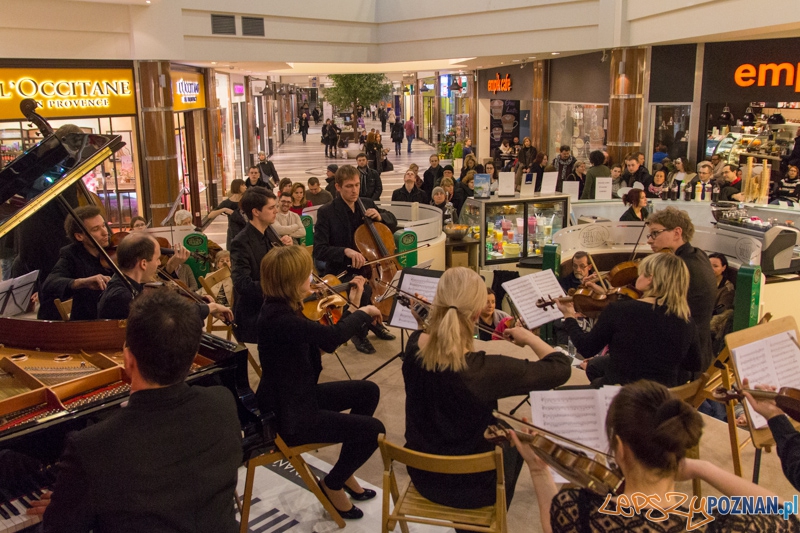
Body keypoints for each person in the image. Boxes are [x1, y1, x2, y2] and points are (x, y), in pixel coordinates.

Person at [38, 290, 242, 533]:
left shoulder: (92, 446)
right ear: (193, 358)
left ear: (128, 360)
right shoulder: (222, 402)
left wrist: (66, 505)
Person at [515, 380, 795, 533]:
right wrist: (702, 468)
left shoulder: (577, 510)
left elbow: (554, 525)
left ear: (619, 448)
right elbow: (787, 513)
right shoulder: (722, 524)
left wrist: (538, 470)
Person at [402, 267, 571, 517]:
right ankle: (492, 516)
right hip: (471, 488)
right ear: (477, 313)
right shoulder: (484, 371)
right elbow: (560, 367)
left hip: (423, 475)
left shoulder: (413, 345)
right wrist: (529, 338)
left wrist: (422, 323)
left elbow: (429, 337)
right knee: (514, 439)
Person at [256, 246, 384, 520]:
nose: (312, 279)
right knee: (374, 430)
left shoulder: (286, 308)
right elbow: (330, 338)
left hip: (299, 395)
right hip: (288, 415)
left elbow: (323, 343)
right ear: (291, 281)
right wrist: (363, 312)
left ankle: (344, 472)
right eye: (307, 274)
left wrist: (352, 306)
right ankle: (332, 483)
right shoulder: (279, 318)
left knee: (367, 391)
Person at [559, 252, 701, 387]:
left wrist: (569, 315)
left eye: (641, 273)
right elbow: (693, 364)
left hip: (623, 392)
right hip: (661, 394)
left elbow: (586, 348)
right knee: (596, 366)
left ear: (650, 278)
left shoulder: (620, 310)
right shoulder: (686, 319)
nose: (636, 277)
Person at [312, 165, 398, 354]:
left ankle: (374, 322)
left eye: (357, 185)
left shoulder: (366, 203)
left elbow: (393, 221)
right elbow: (319, 250)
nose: (354, 190)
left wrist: (381, 217)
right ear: (338, 187)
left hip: (371, 267)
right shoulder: (327, 212)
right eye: (349, 186)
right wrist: (345, 251)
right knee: (363, 289)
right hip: (342, 270)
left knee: (385, 285)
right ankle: (359, 333)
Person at [96, 232, 232, 323]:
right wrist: (210, 308)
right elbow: (168, 314)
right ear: (143, 264)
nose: (159, 263)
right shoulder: (122, 296)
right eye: (157, 259)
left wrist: (203, 302)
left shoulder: (130, 284)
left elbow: (169, 304)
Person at [646, 206, 716, 370]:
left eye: (655, 233)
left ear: (677, 233)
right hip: (702, 351)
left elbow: (661, 313)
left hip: (683, 358)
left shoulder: (681, 267)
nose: (649, 240)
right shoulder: (699, 255)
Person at [230, 187, 293, 344]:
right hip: (255, 312)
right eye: (271, 208)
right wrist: (278, 288)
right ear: (256, 212)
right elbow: (242, 284)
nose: (276, 211)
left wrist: (286, 249)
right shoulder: (241, 242)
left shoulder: (269, 231)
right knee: (298, 331)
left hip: (274, 304)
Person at [38, 206, 113, 321]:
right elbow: (50, 283)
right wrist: (82, 282)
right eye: (96, 229)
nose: (105, 232)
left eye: (103, 225)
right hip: (89, 320)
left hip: (115, 313)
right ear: (79, 236)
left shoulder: (114, 249)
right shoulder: (71, 254)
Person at [214, 178, 247, 249]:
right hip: (233, 232)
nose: (245, 187)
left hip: (245, 231)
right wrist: (224, 209)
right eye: (243, 185)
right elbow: (211, 215)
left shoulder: (246, 200)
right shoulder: (227, 202)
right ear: (237, 187)